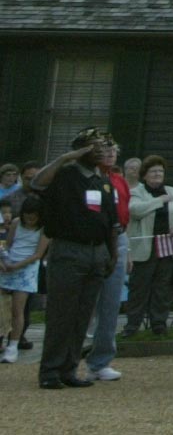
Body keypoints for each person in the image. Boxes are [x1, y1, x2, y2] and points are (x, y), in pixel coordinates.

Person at [27, 129, 121, 389]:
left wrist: (112, 254)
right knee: (61, 314)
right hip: (69, 250)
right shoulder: (65, 175)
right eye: (95, 146)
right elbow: (36, 184)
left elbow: (112, 222)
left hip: (97, 252)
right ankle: (50, 371)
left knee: (82, 315)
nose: (101, 151)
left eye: (104, 146)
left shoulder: (102, 181)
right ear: (81, 149)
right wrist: (66, 158)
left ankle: (69, 368)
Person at [79, 137, 132, 381]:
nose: (110, 155)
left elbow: (124, 215)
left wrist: (126, 250)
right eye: (106, 151)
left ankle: (100, 360)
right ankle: (69, 357)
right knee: (84, 303)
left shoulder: (119, 181)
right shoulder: (87, 177)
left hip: (118, 237)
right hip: (94, 238)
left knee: (110, 304)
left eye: (113, 151)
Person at [123, 155, 173, 340]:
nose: (157, 174)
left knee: (162, 286)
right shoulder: (137, 191)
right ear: (144, 175)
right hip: (145, 246)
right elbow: (135, 211)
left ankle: (159, 324)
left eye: (160, 171)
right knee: (139, 287)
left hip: (167, 246)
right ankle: (132, 324)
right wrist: (159, 200)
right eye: (153, 171)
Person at [2, 186, 44, 363]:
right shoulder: (16, 223)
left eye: (33, 215)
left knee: (17, 310)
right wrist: (4, 261)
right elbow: (9, 245)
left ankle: (13, 345)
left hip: (26, 268)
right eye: (27, 214)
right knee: (2, 308)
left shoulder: (44, 229)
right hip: (9, 264)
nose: (30, 218)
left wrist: (18, 265)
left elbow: (38, 254)